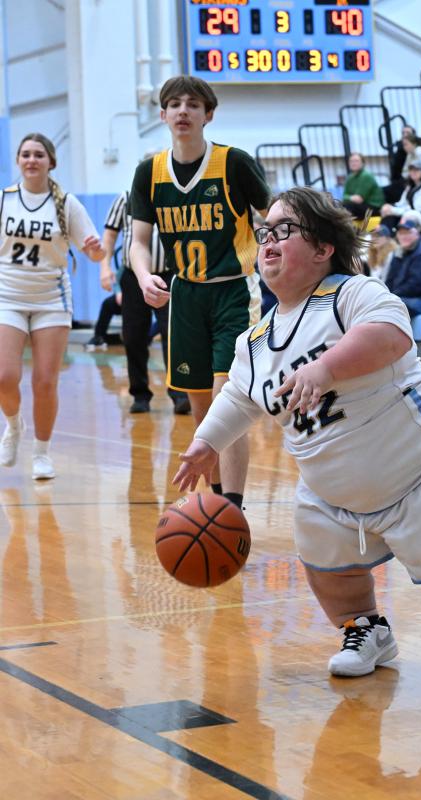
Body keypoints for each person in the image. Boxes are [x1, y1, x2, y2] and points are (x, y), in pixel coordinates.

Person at [172, 186, 421, 678]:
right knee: (328, 570)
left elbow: (389, 334)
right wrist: (206, 442)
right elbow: (239, 397)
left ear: (323, 249)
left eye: (285, 230)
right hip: (332, 494)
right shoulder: (254, 342)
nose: (269, 241)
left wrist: (326, 368)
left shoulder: (350, 294)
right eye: (264, 233)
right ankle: (366, 629)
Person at [130, 75, 271, 508]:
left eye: (193, 104)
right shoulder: (149, 172)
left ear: (208, 114)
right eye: (174, 104)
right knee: (202, 409)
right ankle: (214, 506)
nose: (183, 111)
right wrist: (142, 276)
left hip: (233, 291)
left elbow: (273, 218)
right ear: (162, 114)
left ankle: (233, 506)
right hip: (184, 296)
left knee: (228, 399)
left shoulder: (234, 163)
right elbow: (137, 241)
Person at [0, 132, 105, 479]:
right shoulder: (4, 200)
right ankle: (14, 426)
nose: (31, 160)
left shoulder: (65, 204)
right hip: (7, 297)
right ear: (18, 161)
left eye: (38, 155)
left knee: (45, 382)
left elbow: (95, 253)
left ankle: (42, 453)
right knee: (5, 377)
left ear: (51, 162)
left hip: (51, 300)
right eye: (26, 154)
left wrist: (95, 248)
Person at [100, 188, 190, 414]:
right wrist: (104, 267)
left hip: (170, 274)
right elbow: (110, 235)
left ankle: (179, 394)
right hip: (133, 277)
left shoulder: (175, 194)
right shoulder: (125, 197)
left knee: (175, 335)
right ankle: (140, 394)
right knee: (133, 336)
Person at [382, 219, 421, 317]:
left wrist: (392, 296)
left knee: (390, 306)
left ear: (417, 234)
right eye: (401, 233)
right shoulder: (399, 252)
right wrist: (386, 293)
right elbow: (390, 279)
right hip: (401, 297)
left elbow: (416, 285)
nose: (404, 236)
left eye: (408, 233)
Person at [380, 161, 421, 232]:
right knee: (388, 215)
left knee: (392, 218)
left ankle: (384, 237)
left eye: (417, 170)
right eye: (411, 170)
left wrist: (393, 210)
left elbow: (417, 211)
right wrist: (389, 207)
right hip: (410, 214)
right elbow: (401, 203)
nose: (413, 172)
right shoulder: (410, 186)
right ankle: (382, 237)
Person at [341, 152, 384, 220]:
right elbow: (344, 196)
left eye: (356, 161)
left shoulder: (366, 176)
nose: (353, 163)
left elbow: (359, 199)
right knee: (339, 206)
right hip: (359, 207)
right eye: (351, 161)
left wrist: (348, 197)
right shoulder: (350, 178)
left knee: (348, 207)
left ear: (363, 163)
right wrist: (351, 198)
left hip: (373, 208)